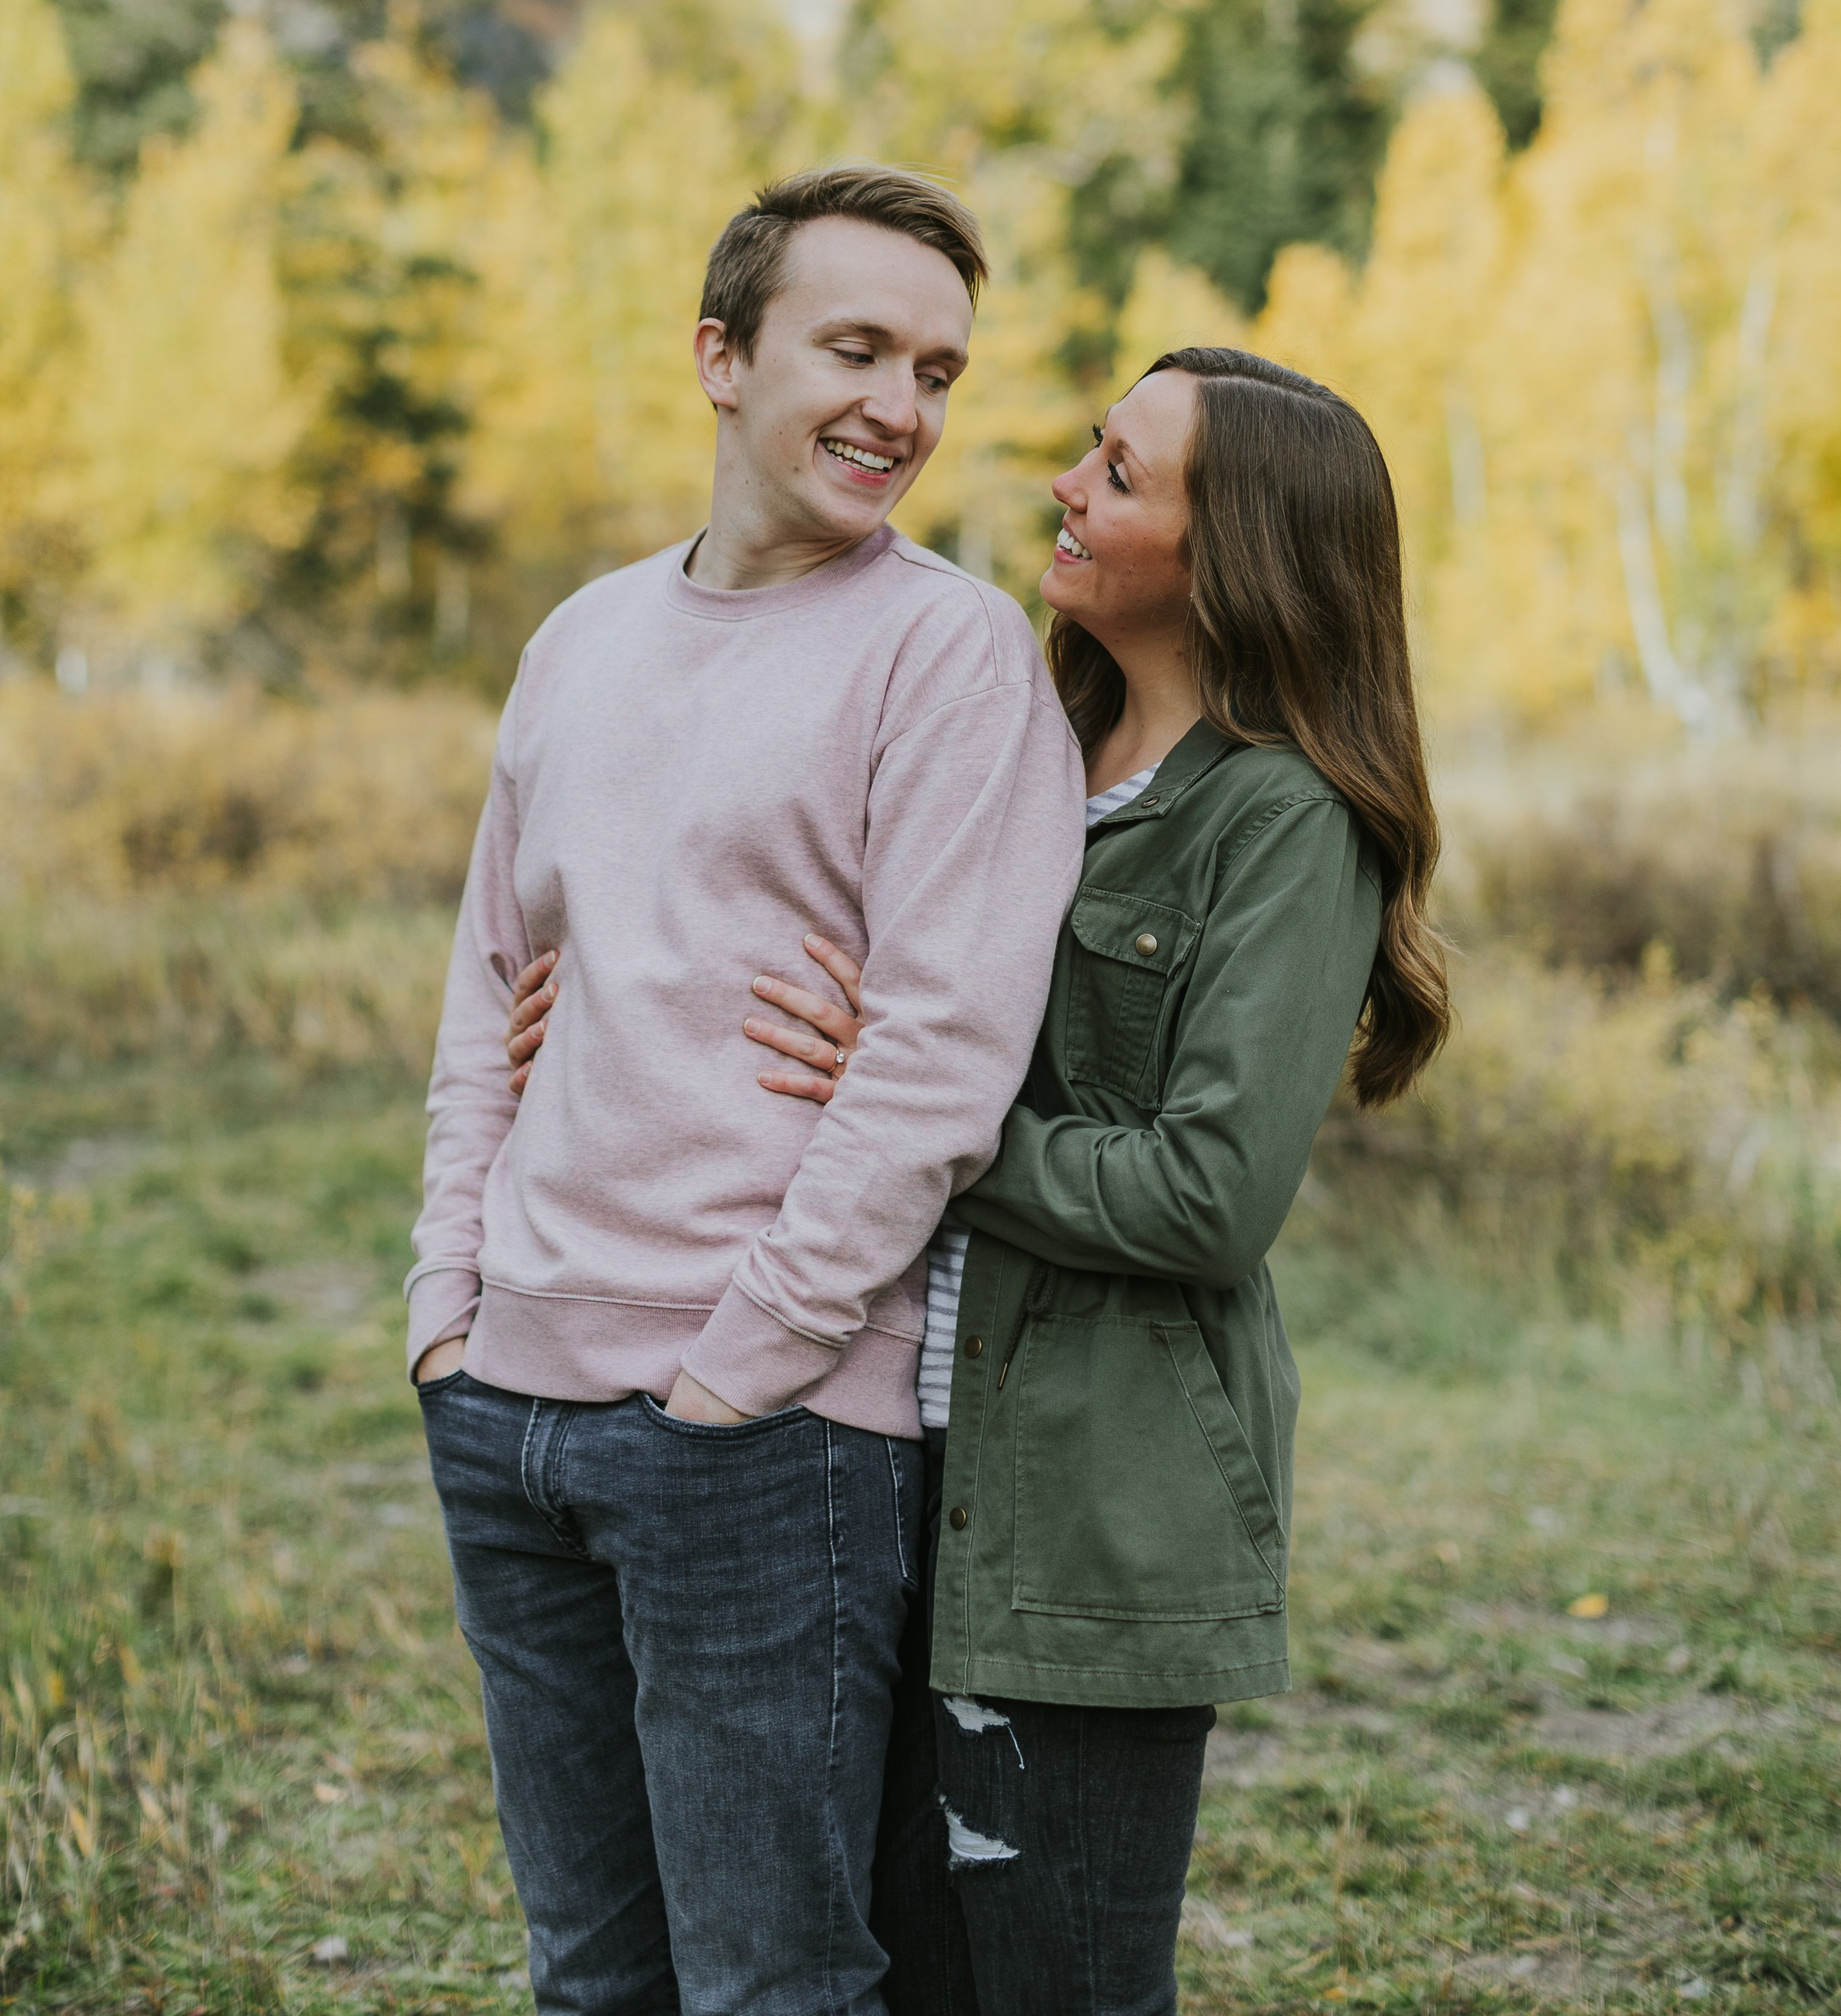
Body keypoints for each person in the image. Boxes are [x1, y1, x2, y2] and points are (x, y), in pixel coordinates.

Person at [514, 345, 1450, 2013]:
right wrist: (597, 1004)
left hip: (1088, 1506)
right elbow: (792, 956)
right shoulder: (1020, 740)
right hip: (874, 1458)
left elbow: (1206, 1195)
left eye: (1118, 474)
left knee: (1052, 1985)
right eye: (1088, 448)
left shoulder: (1284, 822)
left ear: (1233, 553)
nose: (1062, 488)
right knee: (881, 1970)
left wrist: (919, 1128)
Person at [408, 163, 1087, 2016]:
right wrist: (446, 1311)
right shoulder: (579, 639)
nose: (900, 408)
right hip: (507, 1403)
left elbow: (940, 1061)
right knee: (589, 1977)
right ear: (721, 357)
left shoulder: (946, 654)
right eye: (854, 349)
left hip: (761, 1436)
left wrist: (744, 1366)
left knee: (769, 1984)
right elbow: (487, 995)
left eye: (935, 372)